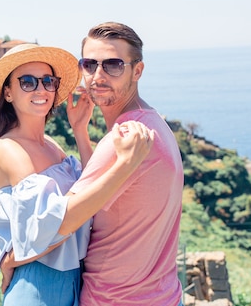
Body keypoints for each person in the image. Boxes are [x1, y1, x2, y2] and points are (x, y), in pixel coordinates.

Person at [0, 43, 154, 306]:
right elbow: (56, 224)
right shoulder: (9, 149)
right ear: (8, 93)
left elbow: (87, 191)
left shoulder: (51, 144)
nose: (41, 89)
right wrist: (125, 166)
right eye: (28, 82)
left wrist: (80, 131)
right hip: (38, 284)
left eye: (48, 81)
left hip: (72, 279)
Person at [70, 22, 184, 305]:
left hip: (116, 299)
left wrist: (12, 257)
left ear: (137, 71)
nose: (97, 76)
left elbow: (64, 219)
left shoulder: (124, 136)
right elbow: (103, 195)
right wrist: (81, 134)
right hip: (161, 296)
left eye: (113, 65)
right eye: (89, 64)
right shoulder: (152, 122)